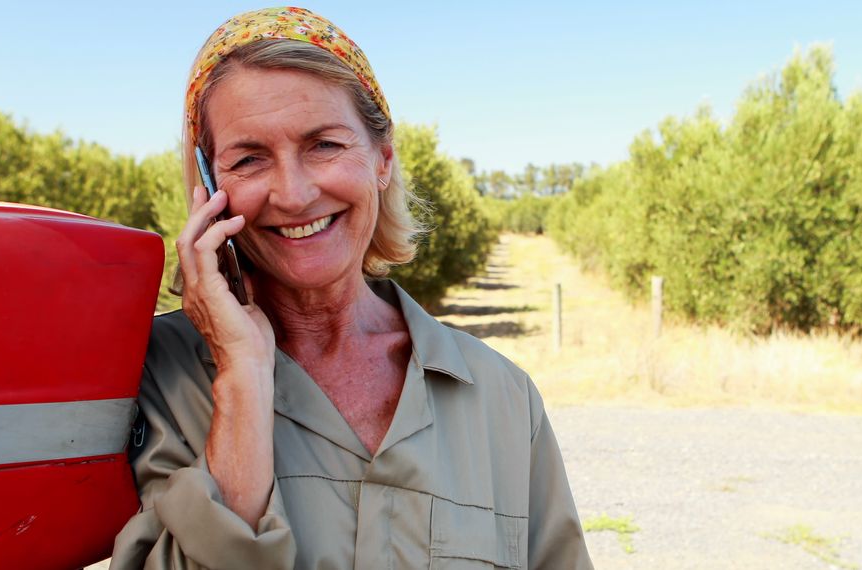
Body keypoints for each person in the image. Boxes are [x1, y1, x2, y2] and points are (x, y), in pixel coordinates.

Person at [110, 7, 592, 569]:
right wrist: (241, 379)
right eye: (249, 159)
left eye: (324, 145)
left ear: (382, 160)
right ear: (210, 187)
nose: (292, 195)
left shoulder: (501, 397)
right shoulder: (150, 379)